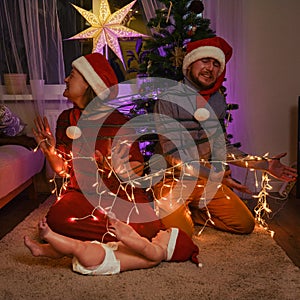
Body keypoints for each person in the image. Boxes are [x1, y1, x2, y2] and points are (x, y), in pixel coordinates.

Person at [153, 36, 297, 236]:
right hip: (171, 180)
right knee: (181, 234)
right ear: (190, 64)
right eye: (205, 61)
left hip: (203, 181)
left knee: (244, 224)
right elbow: (173, 155)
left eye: (216, 64)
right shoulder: (169, 99)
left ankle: (194, 214)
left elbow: (223, 148)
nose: (210, 68)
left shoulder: (217, 101)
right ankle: (177, 215)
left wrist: (264, 164)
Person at [33, 53, 163, 242]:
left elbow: (136, 171)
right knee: (55, 220)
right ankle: (123, 239)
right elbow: (64, 172)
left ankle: (97, 240)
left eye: (72, 75)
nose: (66, 79)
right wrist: (50, 152)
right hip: (81, 194)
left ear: (88, 84)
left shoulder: (118, 122)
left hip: (119, 194)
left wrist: (117, 169)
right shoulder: (65, 119)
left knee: (148, 226)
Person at [24, 217, 200, 275]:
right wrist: (120, 224)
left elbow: (141, 247)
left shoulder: (158, 253)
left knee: (77, 247)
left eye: (166, 233)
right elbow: (132, 234)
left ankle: (49, 235)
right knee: (70, 250)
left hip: (106, 260)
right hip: (105, 252)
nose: (161, 231)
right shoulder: (150, 244)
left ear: (171, 245)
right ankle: (42, 250)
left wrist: (123, 237)